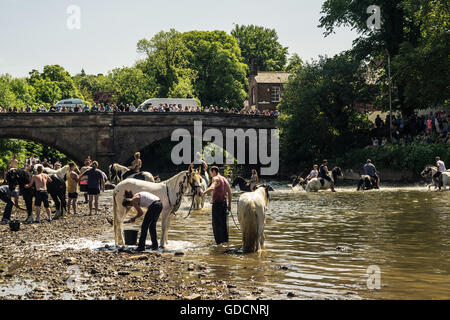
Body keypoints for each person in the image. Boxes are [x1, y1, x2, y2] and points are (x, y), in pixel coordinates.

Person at [202, 166, 232, 245]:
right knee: (224, 224)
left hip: (217, 204)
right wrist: (229, 205)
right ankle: (225, 242)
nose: (210, 174)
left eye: (210, 172)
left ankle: (218, 244)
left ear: (214, 171)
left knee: (216, 224)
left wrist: (203, 193)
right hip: (224, 204)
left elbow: (212, 187)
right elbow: (230, 193)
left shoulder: (216, 178)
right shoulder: (225, 179)